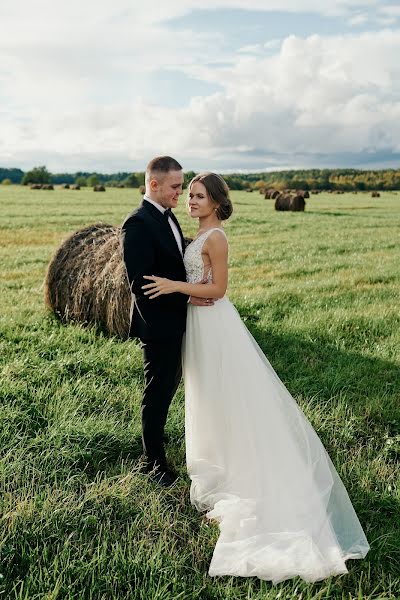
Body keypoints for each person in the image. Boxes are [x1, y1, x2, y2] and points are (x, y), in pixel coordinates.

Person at [141, 172, 370, 583]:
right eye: (188, 195)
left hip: (216, 329)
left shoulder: (217, 239)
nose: (191, 201)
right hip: (198, 325)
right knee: (207, 397)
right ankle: (218, 461)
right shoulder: (197, 235)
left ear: (216, 202)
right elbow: (202, 286)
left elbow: (220, 291)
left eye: (199, 196)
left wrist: (175, 286)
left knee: (227, 396)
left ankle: (244, 470)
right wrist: (189, 291)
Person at [121, 156, 211, 488]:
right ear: (154, 184)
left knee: (170, 389)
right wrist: (188, 297)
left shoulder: (168, 217)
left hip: (180, 321)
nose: (182, 194)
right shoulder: (139, 224)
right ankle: (153, 462)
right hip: (159, 326)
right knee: (157, 393)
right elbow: (142, 287)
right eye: (176, 187)